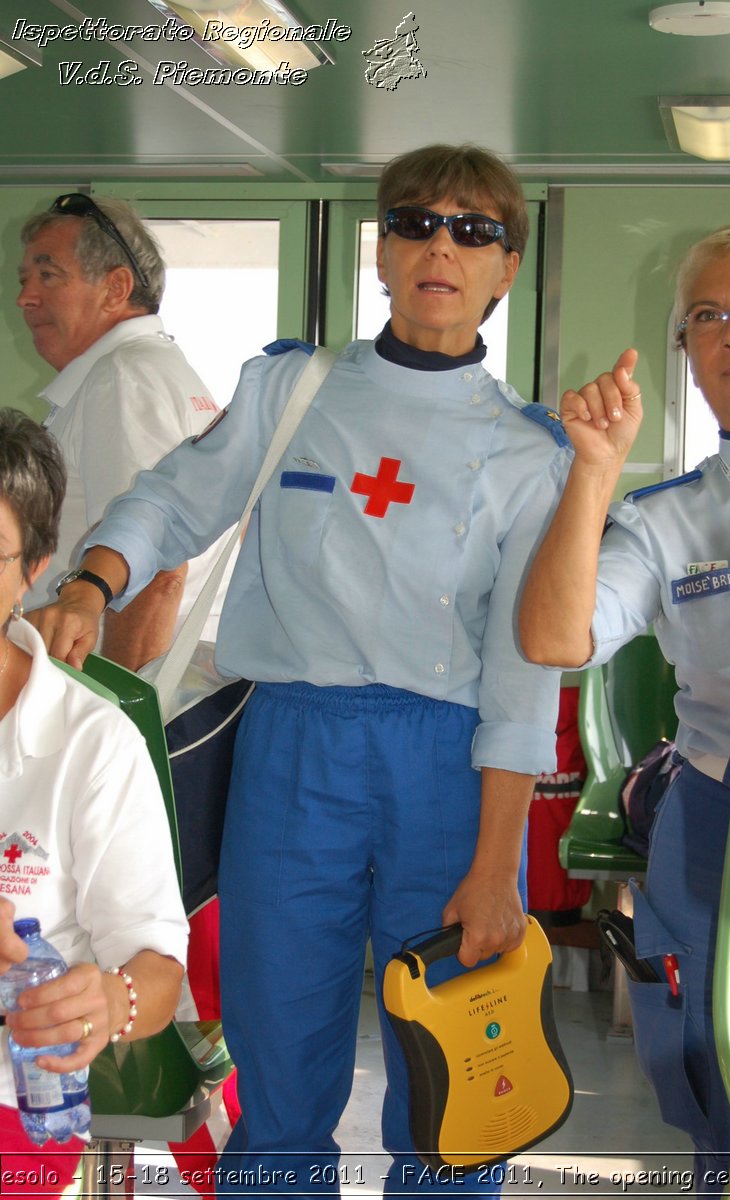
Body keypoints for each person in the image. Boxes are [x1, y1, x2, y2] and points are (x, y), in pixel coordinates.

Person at [30, 144, 572, 1196]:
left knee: (455, 1078)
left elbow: (522, 674)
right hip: (292, 751)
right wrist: (93, 581)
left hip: (447, 766)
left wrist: (499, 866)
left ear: (508, 268)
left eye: (475, 232)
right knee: (280, 1066)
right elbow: (174, 497)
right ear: (382, 249)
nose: (440, 247)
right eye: (416, 222)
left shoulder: (529, 454)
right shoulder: (290, 389)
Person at [518, 225, 730, 1193]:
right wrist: (592, 472)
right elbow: (557, 639)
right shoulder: (664, 517)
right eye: (707, 318)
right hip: (720, 824)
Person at [0, 409, 188, 1194]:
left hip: (16, 1106)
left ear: (35, 565)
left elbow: (157, 966)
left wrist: (113, 998)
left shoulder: (92, 743)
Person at [17, 193, 226, 672]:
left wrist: (124, 719)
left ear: (116, 288)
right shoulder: (152, 371)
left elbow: (157, 569)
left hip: (120, 686)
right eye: (25, 279)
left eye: (48, 275)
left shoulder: (123, 380)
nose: (25, 297)